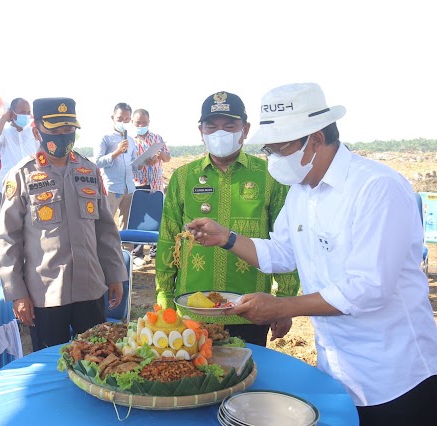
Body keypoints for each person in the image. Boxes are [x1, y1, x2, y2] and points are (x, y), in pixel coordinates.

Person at [186, 83, 437, 424]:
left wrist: (284, 306)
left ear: (315, 140)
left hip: (393, 375)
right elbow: (283, 253)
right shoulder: (302, 191)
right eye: (269, 151)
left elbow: (368, 288)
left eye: (280, 149)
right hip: (335, 368)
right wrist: (226, 237)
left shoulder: (376, 188)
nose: (273, 159)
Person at [155, 90, 300, 347]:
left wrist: (285, 303)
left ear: (245, 129)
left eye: (230, 126)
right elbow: (168, 238)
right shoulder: (183, 177)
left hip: (249, 310)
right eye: (212, 126)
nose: (220, 133)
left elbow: (287, 243)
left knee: (247, 379)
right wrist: (164, 296)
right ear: (201, 131)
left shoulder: (270, 176)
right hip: (193, 309)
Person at [0, 97, 127, 351]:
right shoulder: (22, 176)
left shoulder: (88, 170)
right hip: (45, 294)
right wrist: (17, 292)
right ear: (37, 131)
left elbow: (105, 231)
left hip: (90, 289)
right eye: (54, 131)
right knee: (48, 367)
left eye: (68, 131)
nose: (62, 137)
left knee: (94, 359)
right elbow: (8, 239)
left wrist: (115, 275)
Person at [131, 108, 171, 259]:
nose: (141, 125)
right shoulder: (129, 141)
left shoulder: (157, 138)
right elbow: (129, 164)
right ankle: (137, 252)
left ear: (149, 122)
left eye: (144, 122)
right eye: (138, 122)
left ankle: (155, 249)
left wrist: (160, 155)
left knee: (157, 216)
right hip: (138, 184)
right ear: (133, 122)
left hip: (156, 184)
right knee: (138, 217)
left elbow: (167, 158)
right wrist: (142, 163)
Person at [94, 103, 138, 229]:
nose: (123, 122)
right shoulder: (105, 138)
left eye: (126, 119)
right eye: (120, 119)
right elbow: (97, 162)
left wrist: (145, 162)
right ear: (112, 117)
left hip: (128, 188)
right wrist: (117, 152)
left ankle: (126, 248)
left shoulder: (130, 140)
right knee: (105, 224)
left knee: (128, 224)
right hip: (112, 189)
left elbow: (134, 164)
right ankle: (104, 249)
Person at [0, 97, 39, 190]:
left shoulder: (33, 132)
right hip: (9, 186)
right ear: (11, 113)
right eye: (23, 113)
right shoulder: (4, 132)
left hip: (31, 185)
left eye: (28, 113)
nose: (26, 116)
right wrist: (4, 117)